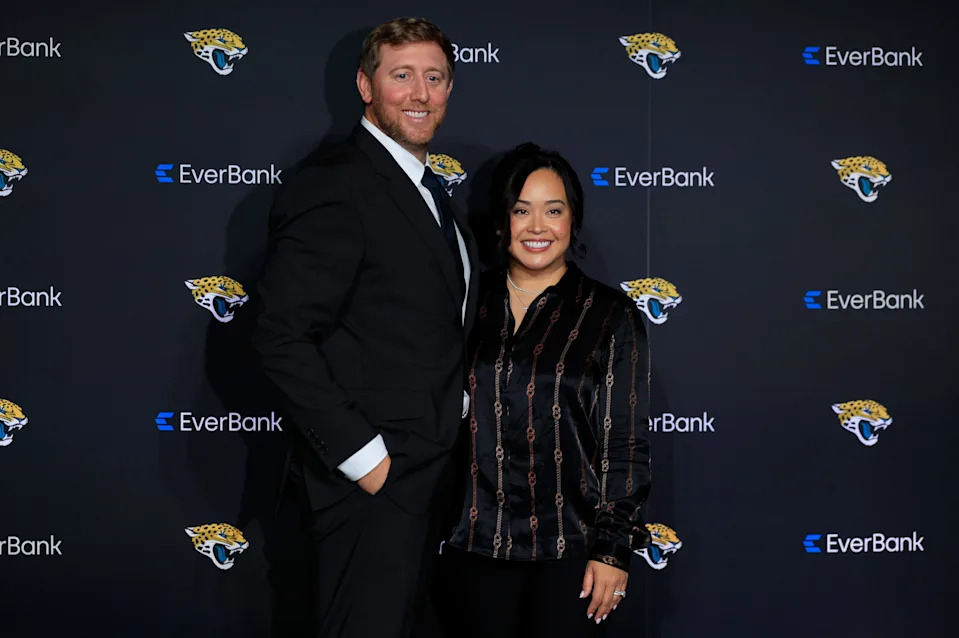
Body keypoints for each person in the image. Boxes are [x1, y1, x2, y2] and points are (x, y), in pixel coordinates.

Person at [253, 17, 477, 638]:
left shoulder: (430, 191)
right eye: (401, 75)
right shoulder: (335, 184)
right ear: (365, 85)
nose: (420, 93)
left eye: (435, 77)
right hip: (370, 487)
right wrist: (366, 460)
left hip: (430, 481)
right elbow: (281, 336)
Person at [440, 143, 651, 638]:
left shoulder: (610, 315)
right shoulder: (467, 304)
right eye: (521, 210)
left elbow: (624, 443)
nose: (538, 227)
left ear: (573, 220)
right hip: (472, 547)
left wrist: (613, 549)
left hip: (570, 553)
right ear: (501, 221)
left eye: (553, 210)